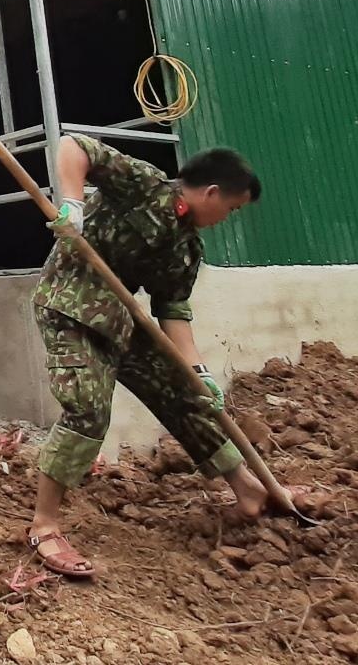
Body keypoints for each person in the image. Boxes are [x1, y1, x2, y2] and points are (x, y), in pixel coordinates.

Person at [26, 135, 265, 579]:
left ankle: (247, 487)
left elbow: (173, 311)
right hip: (70, 307)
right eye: (232, 209)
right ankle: (45, 525)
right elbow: (75, 146)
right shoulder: (143, 185)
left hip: (120, 320)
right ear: (213, 193)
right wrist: (73, 204)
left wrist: (197, 372)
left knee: (185, 394)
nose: (227, 219)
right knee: (87, 409)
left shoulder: (187, 248)